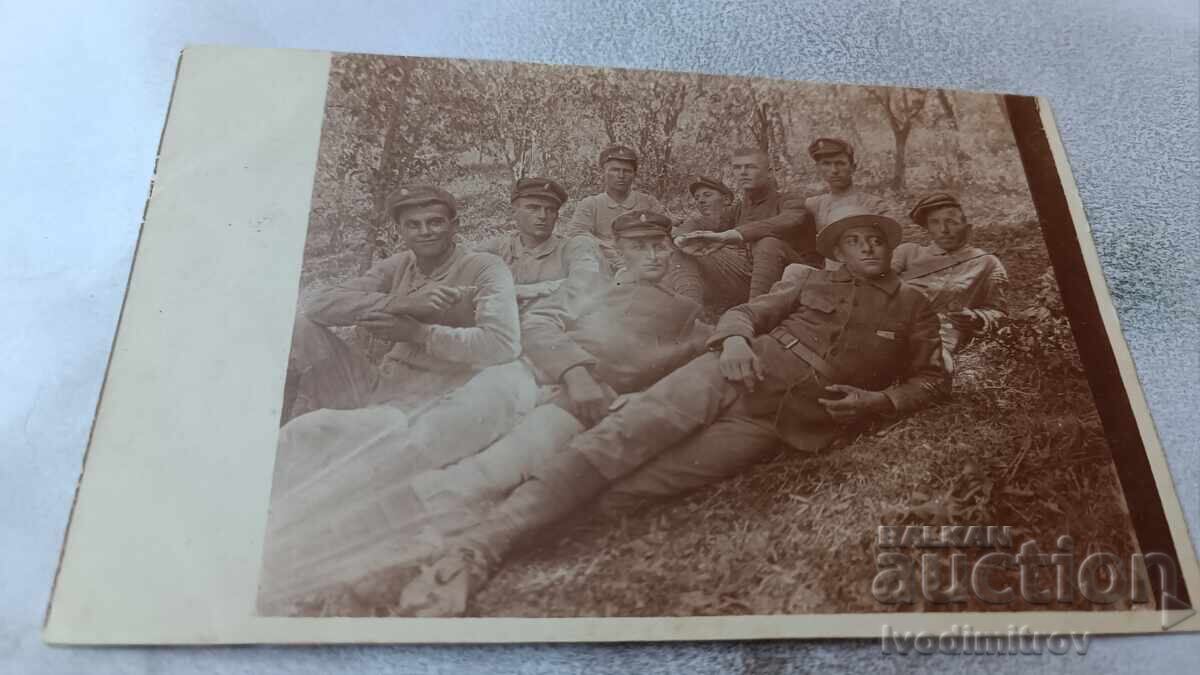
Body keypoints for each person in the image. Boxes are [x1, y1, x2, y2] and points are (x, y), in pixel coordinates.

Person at [395, 205, 950, 617]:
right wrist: (733, 343)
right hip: (731, 370)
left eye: (875, 239)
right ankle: (479, 547)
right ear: (841, 253)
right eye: (855, 241)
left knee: (642, 487)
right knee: (621, 438)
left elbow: (933, 378)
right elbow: (747, 313)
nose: (868, 248)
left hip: (781, 421)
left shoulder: (914, 306)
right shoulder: (811, 282)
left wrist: (877, 401)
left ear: (888, 247)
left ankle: (502, 533)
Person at [258, 184, 538, 614]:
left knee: (312, 435)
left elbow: (502, 346)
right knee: (300, 326)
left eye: (435, 222)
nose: (425, 232)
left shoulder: (484, 267)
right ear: (400, 231)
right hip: (378, 385)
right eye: (414, 225)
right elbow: (317, 302)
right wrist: (401, 302)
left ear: (453, 225)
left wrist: (421, 332)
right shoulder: (400, 266)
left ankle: (278, 519)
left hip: (426, 401)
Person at [674, 147, 822, 302]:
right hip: (751, 278)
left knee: (768, 243)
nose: (743, 172)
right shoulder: (739, 209)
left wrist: (733, 235)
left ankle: (755, 314)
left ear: (770, 172)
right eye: (737, 167)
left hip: (794, 279)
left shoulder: (790, 200)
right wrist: (681, 237)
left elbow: (788, 220)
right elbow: (704, 222)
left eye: (750, 167)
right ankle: (690, 312)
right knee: (683, 249)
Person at [892, 192, 1009, 361]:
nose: (943, 230)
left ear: (967, 228)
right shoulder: (908, 252)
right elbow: (875, 285)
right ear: (927, 228)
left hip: (937, 335)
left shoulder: (985, 263)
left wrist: (976, 318)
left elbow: (999, 313)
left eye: (952, 222)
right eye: (935, 222)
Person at [473, 177, 602, 309]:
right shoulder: (495, 249)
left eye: (550, 210)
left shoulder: (573, 248)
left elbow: (585, 287)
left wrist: (514, 292)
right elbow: (466, 286)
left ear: (557, 216)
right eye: (533, 208)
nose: (542, 216)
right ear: (514, 213)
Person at [565, 144, 663, 274]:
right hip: (603, 265)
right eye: (615, 170)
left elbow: (664, 233)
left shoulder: (648, 202)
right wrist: (613, 252)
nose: (621, 175)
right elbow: (577, 233)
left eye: (627, 171)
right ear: (603, 172)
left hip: (644, 263)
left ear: (634, 174)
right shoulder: (591, 203)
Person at [669, 175, 751, 311]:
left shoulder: (742, 212)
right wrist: (678, 236)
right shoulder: (700, 222)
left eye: (707, 195)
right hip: (723, 283)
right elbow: (684, 231)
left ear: (726, 199)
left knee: (685, 252)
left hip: (749, 278)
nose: (701, 200)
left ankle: (690, 311)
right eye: (697, 198)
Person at [803, 138, 890, 236]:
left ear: (853, 168)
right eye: (826, 164)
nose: (834, 170)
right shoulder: (813, 205)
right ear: (818, 168)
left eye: (840, 163)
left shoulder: (873, 204)